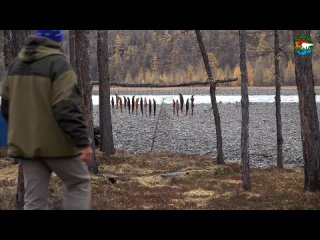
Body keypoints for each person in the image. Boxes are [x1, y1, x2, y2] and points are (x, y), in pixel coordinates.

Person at [0, 30, 93, 210]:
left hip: (27, 147)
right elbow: (66, 108)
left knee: (34, 201)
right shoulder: (58, 64)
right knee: (79, 183)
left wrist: (21, 133)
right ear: (58, 40)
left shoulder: (16, 65)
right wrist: (83, 142)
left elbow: (5, 109)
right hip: (57, 145)